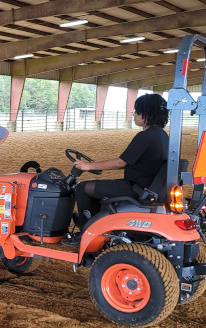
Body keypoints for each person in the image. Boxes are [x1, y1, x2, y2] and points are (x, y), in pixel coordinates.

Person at [72, 93, 169, 231]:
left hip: (136, 187)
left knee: (82, 188)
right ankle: (96, 223)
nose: (134, 114)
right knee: (97, 190)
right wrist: (94, 165)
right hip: (149, 186)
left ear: (146, 113)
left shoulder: (145, 136)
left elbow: (121, 163)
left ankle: (85, 230)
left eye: (137, 111)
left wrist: (88, 166)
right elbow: (130, 161)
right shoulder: (162, 135)